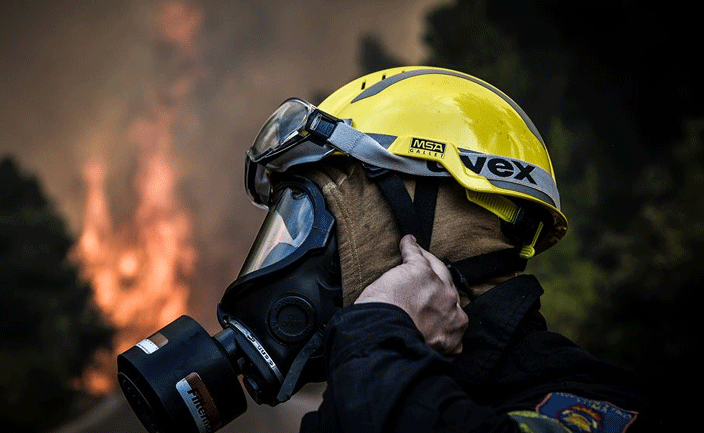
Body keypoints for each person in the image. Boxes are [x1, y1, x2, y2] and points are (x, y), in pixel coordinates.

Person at [240, 66, 650, 433]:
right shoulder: (358, 388)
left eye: (319, 211)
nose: (299, 247)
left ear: (421, 212)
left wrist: (376, 335)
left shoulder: (597, 406)